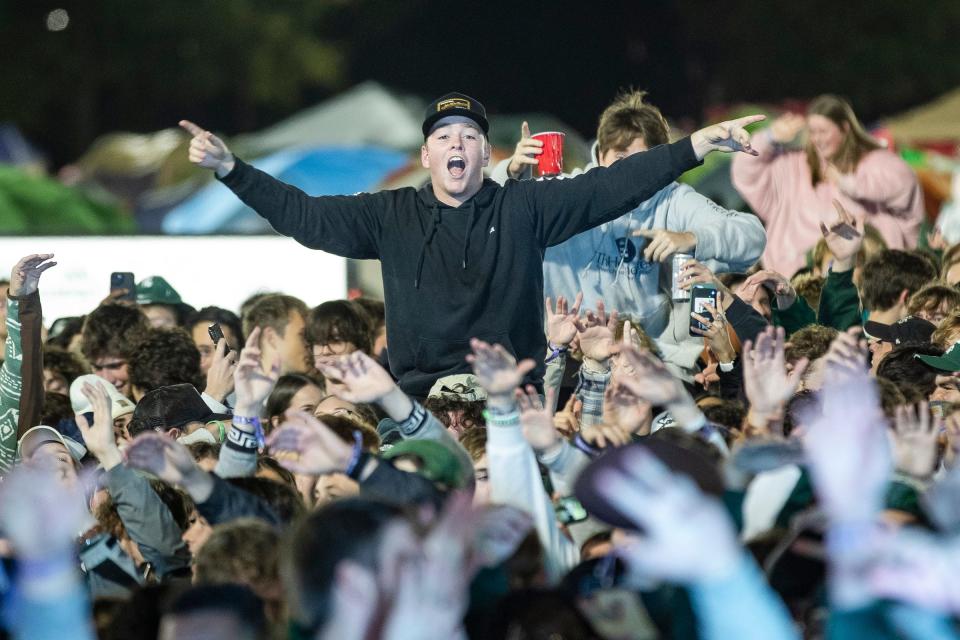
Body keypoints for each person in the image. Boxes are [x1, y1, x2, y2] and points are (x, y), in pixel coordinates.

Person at [181, 95, 764, 398]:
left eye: (469, 136)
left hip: (514, 396)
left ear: (488, 155)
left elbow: (610, 185)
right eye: (443, 136)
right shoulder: (391, 214)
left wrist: (695, 146)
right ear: (427, 154)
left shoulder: (524, 207)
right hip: (419, 402)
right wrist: (233, 169)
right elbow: (306, 217)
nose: (456, 144)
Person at [491, 90, 766, 347]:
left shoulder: (670, 199)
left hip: (643, 353)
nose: (631, 173)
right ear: (599, 155)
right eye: (620, 159)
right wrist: (513, 173)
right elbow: (498, 217)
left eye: (643, 162)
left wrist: (693, 237)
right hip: (564, 348)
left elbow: (752, 235)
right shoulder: (572, 191)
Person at [732, 94, 925, 276]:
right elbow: (744, 170)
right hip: (797, 275)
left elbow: (903, 183)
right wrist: (768, 138)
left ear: (845, 128)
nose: (817, 139)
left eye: (823, 131)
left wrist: (848, 183)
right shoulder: (795, 164)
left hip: (863, 273)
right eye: (813, 132)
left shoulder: (873, 161)